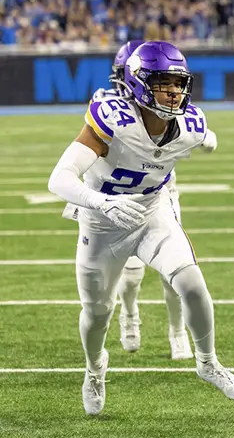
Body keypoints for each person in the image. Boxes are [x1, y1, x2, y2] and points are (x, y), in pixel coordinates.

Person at [48, 41, 234, 416]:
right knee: (97, 312)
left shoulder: (190, 124)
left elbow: (205, 137)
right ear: (139, 84)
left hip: (153, 212)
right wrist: (101, 201)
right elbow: (59, 179)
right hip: (103, 219)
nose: (175, 92)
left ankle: (208, 363)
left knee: (191, 283)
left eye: (179, 83)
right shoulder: (113, 118)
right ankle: (95, 368)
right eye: (163, 83)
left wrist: (208, 140)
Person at [66, 40, 217, 360]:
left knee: (175, 271)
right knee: (128, 274)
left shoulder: (179, 116)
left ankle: (178, 332)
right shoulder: (111, 112)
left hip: (158, 193)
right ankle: (129, 316)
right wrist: (95, 198)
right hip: (114, 198)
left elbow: (197, 132)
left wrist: (205, 138)